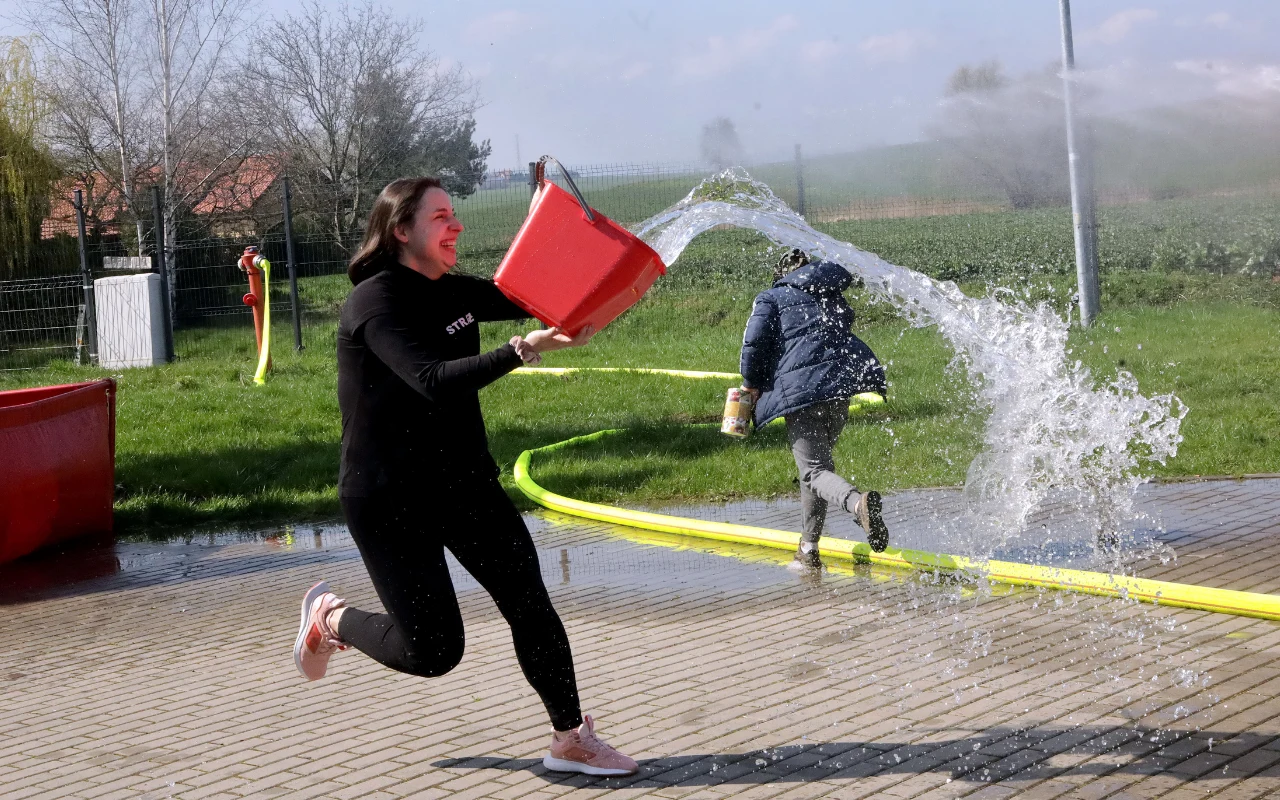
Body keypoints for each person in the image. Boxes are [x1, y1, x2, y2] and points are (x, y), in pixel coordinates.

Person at [292, 176, 638, 777]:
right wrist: (521, 350)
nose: (456, 227)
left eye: (455, 215)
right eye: (441, 217)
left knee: (531, 604)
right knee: (433, 652)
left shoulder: (456, 292)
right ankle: (331, 618)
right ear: (401, 231)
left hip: (463, 483)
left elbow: (534, 293)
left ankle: (570, 738)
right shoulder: (375, 302)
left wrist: (554, 236)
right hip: (388, 497)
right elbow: (429, 378)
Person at [740, 248, 890, 571]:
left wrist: (751, 384)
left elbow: (754, 344)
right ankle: (808, 549)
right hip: (840, 390)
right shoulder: (828, 289)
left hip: (803, 395)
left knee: (814, 471)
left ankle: (857, 503)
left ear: (781, 274)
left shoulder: (772, 298)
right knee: (816, 472)